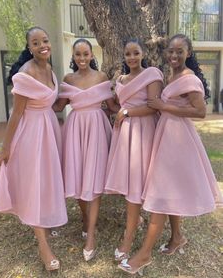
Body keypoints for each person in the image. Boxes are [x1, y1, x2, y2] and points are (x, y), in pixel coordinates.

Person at [118, 34, 223, 275]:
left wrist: (163, 106)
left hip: (178, 141)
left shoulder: (189, 78)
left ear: (189, 53)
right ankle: (177, 237)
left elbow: (199, 111)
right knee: (170, 190)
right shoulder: (171, 75)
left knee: (161, 193)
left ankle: (143, 255)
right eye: (171, 51)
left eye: (179, 51)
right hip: (166, 135)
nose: (174, 55)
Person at [0, 27, 68, 271]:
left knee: (47, 180)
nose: (42, 45)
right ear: (29, 47)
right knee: (35, 183)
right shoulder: (26, 74)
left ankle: (46, 221)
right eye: (36, 43)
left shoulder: (49, 69)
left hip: (49, 129)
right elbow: (16, 114)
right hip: (31, 134)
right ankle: (43, 246)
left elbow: (51, 104)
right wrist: (5, 146)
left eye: (45, 40)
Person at [53, 38, 119, 261]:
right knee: (78, 177)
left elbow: (111, 108)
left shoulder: (101, 77)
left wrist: (134, 107)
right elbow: (59, 107)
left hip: (97, 129)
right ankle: (85, 216)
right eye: (78, 54)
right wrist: (33, 103)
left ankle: (90, 235)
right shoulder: (68, 79)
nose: (82, 58)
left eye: (85, 54)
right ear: (73, 56)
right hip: (74, 129)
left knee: (94, 178)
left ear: (92, 55)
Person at [104, 39, 163, 261]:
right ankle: (134, 222)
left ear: (143, 53)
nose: (132, 58)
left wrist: (126, 113)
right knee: (129, 182)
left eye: (136, 53)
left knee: (138, 182)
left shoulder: (152, 74)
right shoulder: (121, 79)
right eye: (128, 54)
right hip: (125, 134)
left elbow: (152, 106)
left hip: (144, 131)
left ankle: (128, 239)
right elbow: (118, 104)